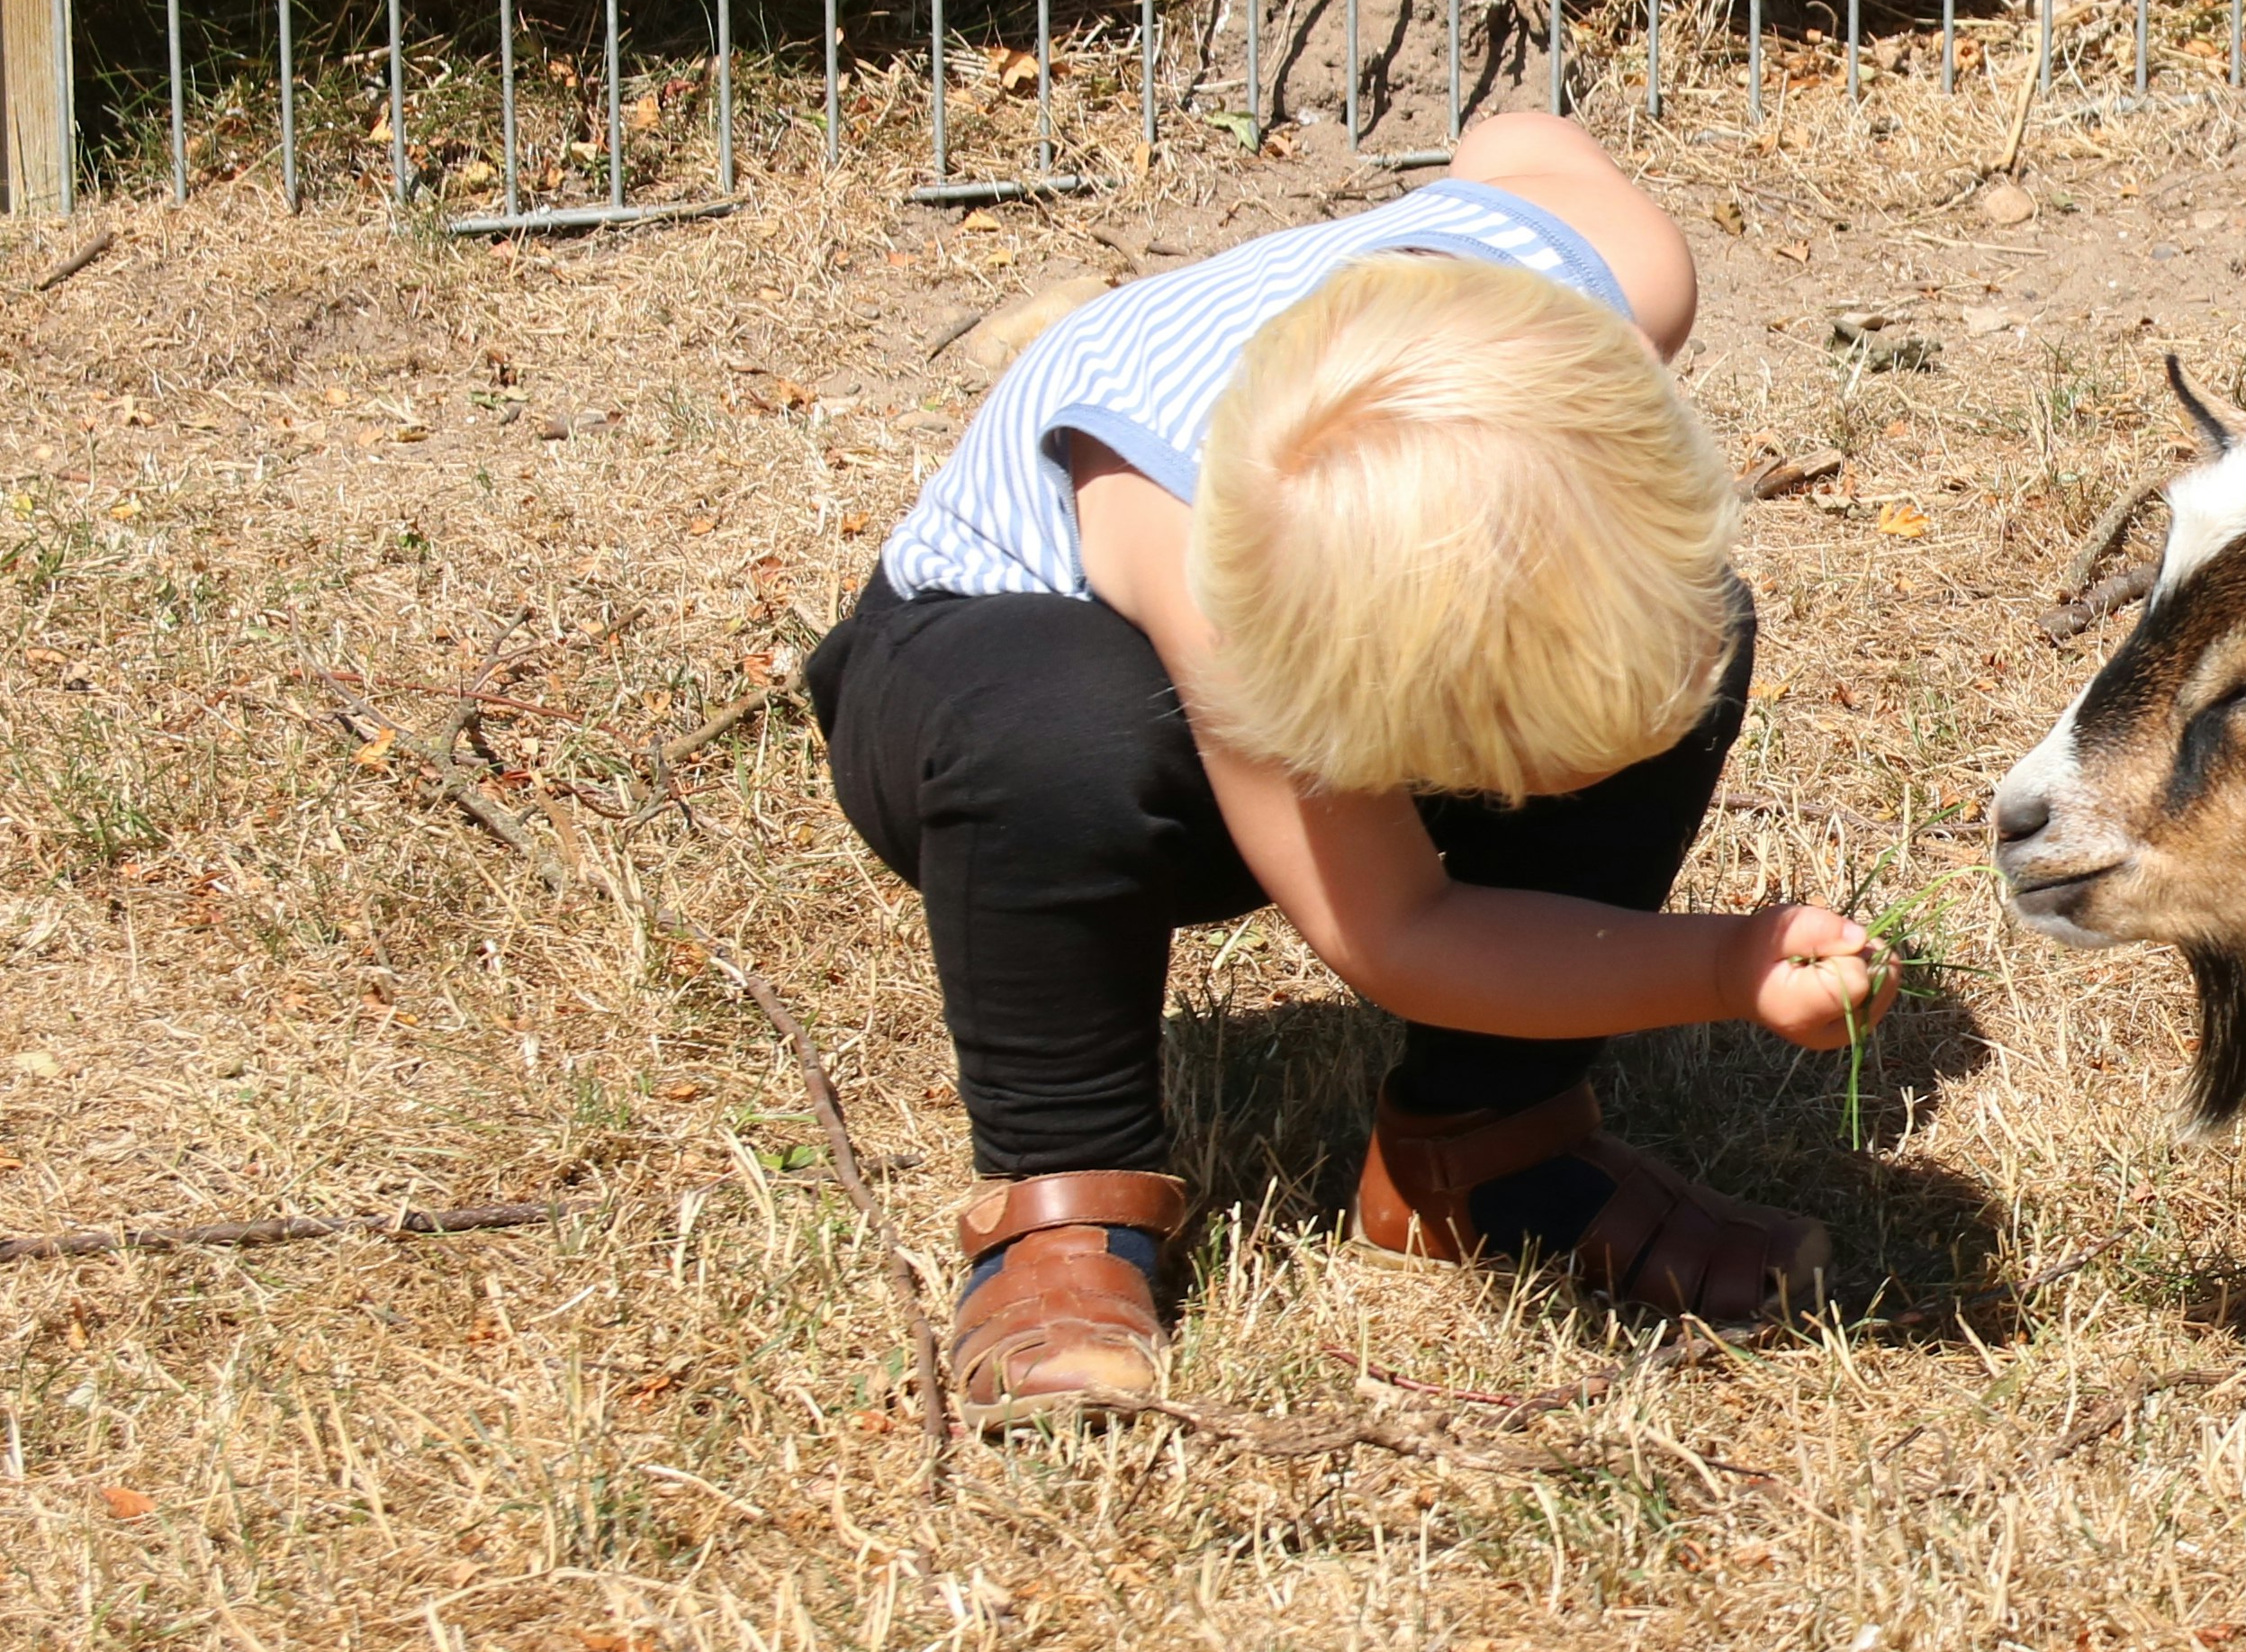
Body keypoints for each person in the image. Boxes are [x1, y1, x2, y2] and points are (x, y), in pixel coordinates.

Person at [805, 109, 1893, 1419]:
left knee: (1702, 613)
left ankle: (1486, 1141)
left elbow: (1520, 134)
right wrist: (1719, 967)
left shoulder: (1616, 280)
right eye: (1496, 760)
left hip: (1342, 573)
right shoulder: (1201, 536)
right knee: (1070, 725)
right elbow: (1396, 923)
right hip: (980, 703)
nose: (1522, 800)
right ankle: (1065, 1205)